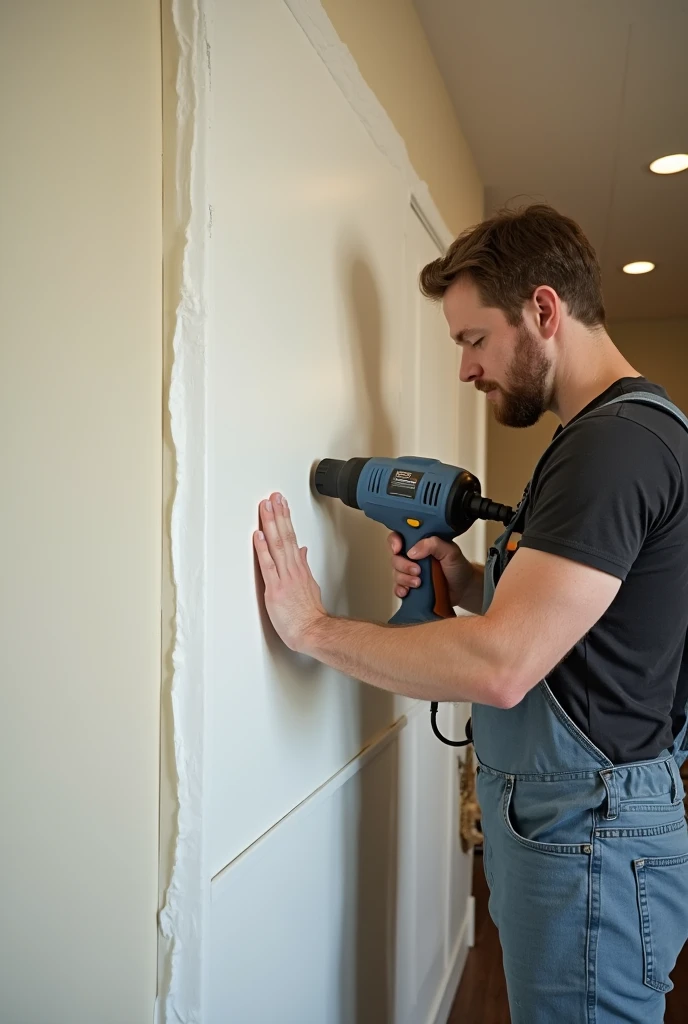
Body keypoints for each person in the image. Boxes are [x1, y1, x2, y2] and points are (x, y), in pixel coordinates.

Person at [253, 204, 688, 1023]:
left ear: (545, 311)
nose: (466, 369)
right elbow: (580, 624)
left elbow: (501, 665)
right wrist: (469, 576)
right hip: (578, 822)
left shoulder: (612, 448)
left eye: (471, 339)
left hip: (587, 832)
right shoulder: (608, 435)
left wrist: (313, 629)